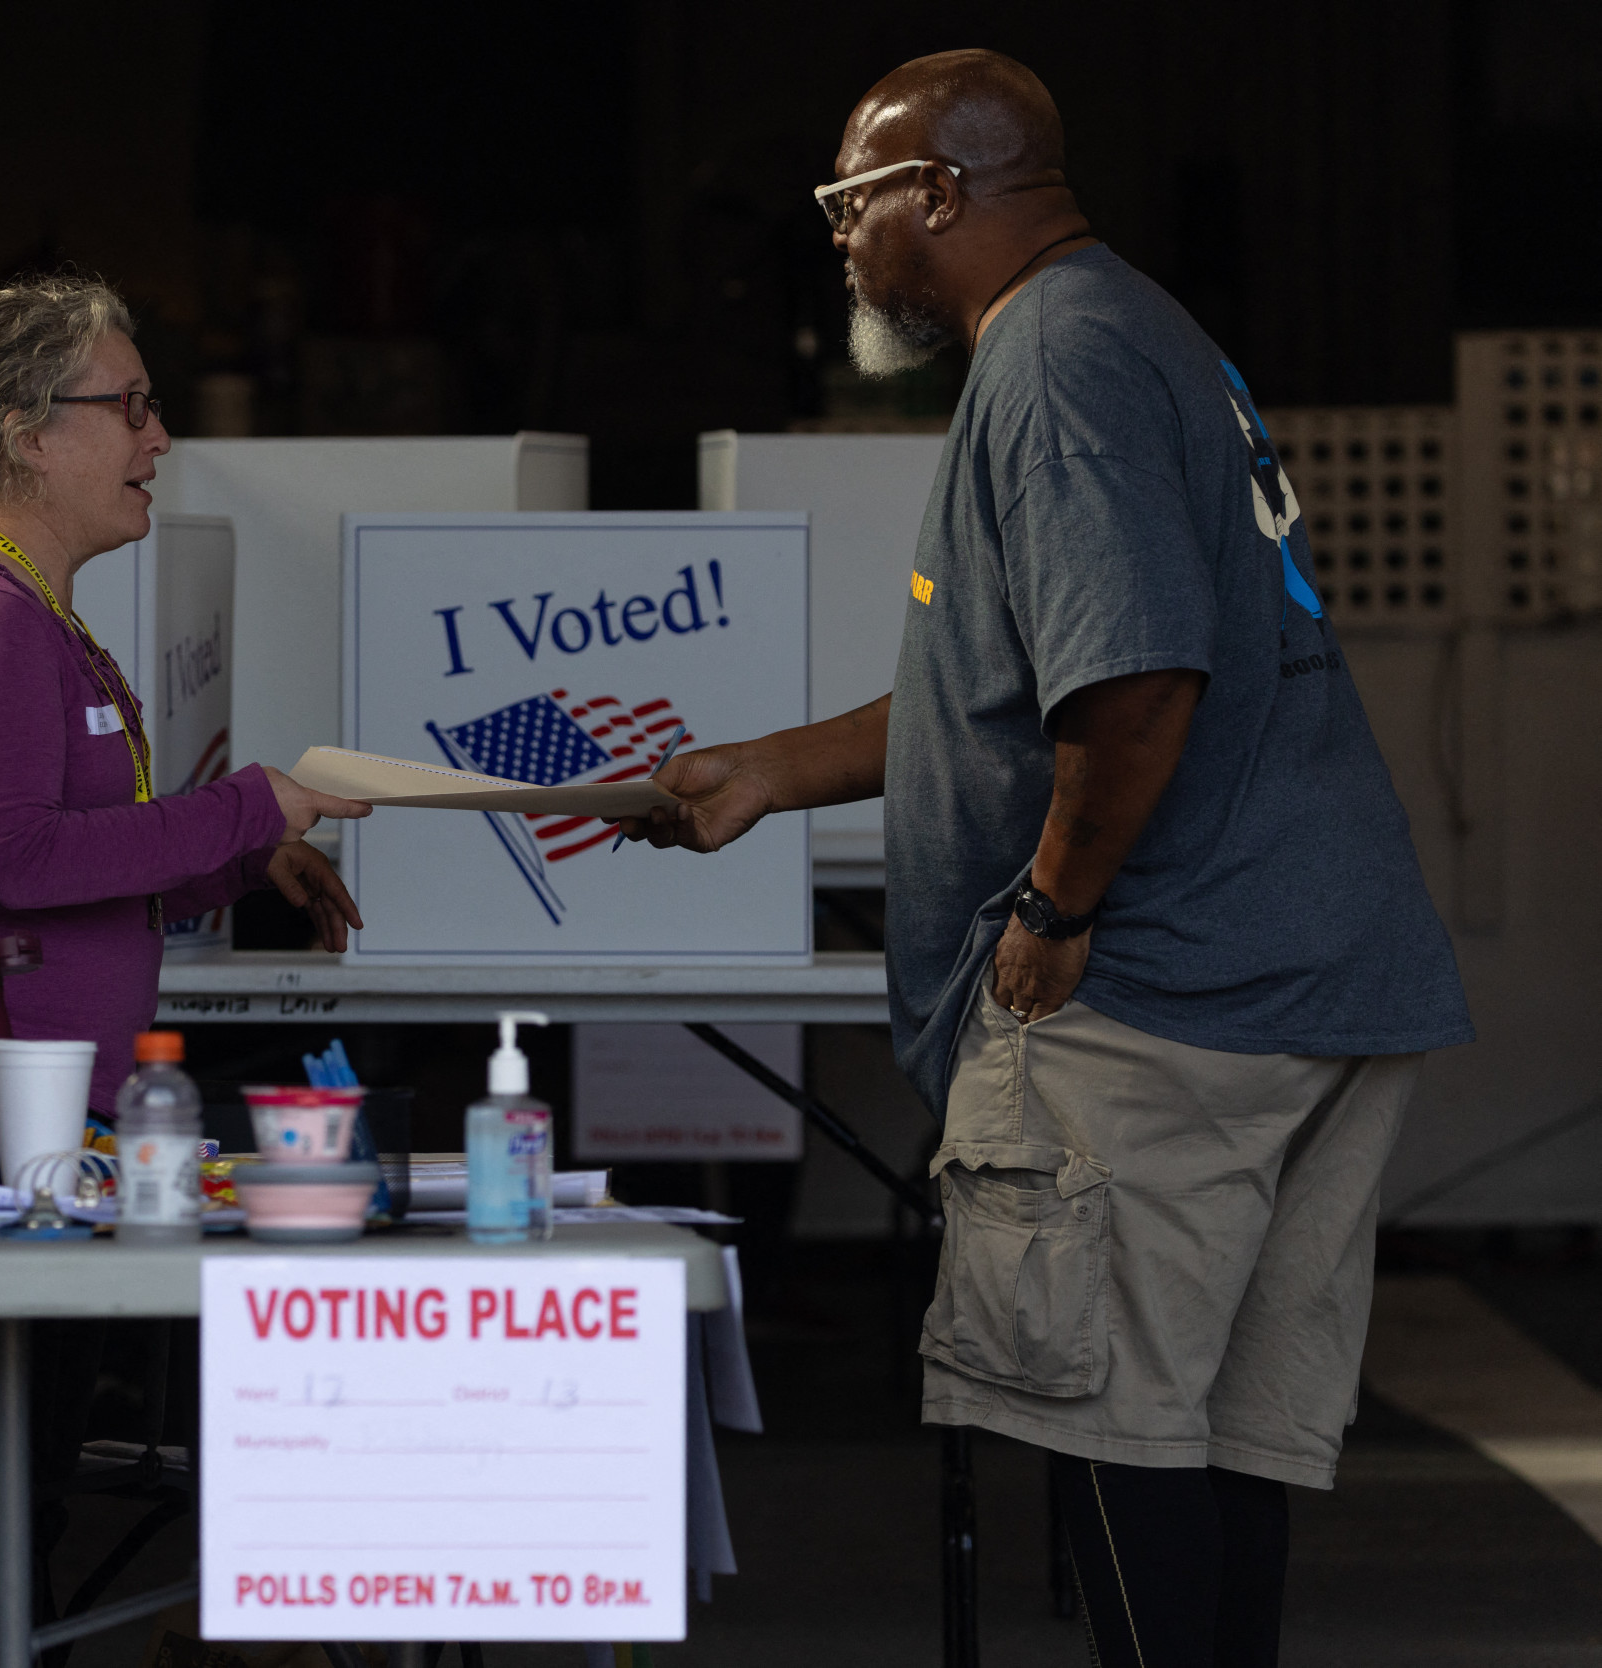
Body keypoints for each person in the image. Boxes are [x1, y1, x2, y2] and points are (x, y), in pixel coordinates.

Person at [620, 50, 1472, 1668]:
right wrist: (767, 774)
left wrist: (1055, 909)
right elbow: (1009, 687)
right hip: (1298, 968)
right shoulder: (1132, 329)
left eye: (847, 201)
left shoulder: (1058, 361)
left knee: (1116, 1427)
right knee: (1217, 1434)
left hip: (1172, 993)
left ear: (938, 192)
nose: (836, 237)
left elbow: (1136, 678)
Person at [0, 272, 367, 1124]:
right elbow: (19, 858)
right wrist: (250, 807)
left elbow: (73, 871)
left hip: (12, 1097)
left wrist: (239, 861)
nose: (161, 439)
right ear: (28, 436)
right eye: (131, 407)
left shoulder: (24, 604)